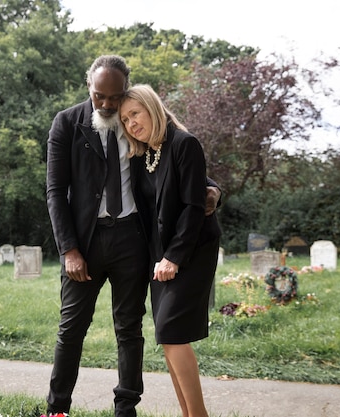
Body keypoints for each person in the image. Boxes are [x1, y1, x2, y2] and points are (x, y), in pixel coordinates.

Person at [45, 55, 220, 417]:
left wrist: (214, 189)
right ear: (88, 87)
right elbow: (54, 191)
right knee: (71, 327)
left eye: (115, 96)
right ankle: (57, 408)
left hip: (133, 239)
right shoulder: (66, 124)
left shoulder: (138, 114)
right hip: (85, 244)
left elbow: (181, 150)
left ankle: (126, 408)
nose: (108, 105)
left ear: (127, 89)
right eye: (99, 97)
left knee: (129, 328)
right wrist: (69, 249)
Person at [119, 84, 221, 417]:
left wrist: (174, 257)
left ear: (153, 107)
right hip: (159, 256)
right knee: (167, 336)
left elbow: (194, 205)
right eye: (125, 120)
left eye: (135, 113)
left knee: (174, 333)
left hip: (190, 250)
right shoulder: (144, 154)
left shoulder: (184, 143)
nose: (131, 123)